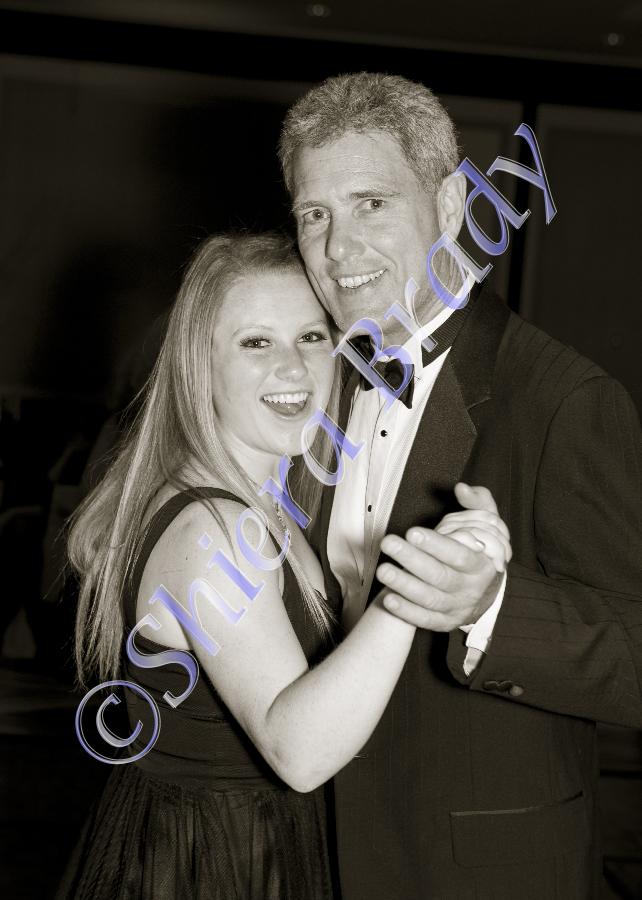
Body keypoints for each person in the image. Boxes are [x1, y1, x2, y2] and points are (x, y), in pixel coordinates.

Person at [56, 232, 510, 900]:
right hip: (211, 864)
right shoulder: (211, 532)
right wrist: (415, 588)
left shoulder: (264, 504)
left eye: (311, 337)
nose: (294, 368)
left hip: (250, 845)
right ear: (199, 368)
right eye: (256, 343)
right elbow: (298, 752)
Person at [279, 72, 642, 900]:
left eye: (372, 204)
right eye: (314, 215)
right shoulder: (305, 380)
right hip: (308, 856)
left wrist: (492, 608)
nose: (338, 251)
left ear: (449, 206)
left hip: (479, 873)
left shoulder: (564, 399)